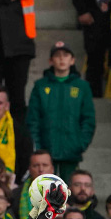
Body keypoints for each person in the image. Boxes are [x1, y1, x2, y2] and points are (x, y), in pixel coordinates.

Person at [26, 41, 94, 180]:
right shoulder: (40, 86)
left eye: (66, 55)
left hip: (71, 152)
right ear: (51, 61)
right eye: (57, 55)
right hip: (46, 150)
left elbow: (88, 119)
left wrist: (80, 144)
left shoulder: (82, 86)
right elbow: (33, 119)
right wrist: (38, 147)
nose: (62, 59)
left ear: (72, 60)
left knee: (69, 192)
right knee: (45, 192)